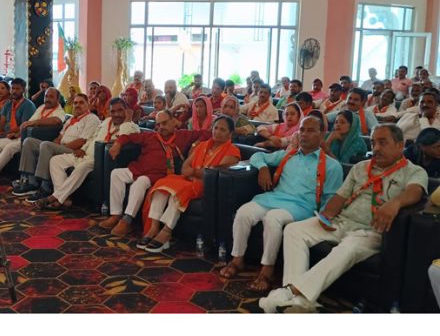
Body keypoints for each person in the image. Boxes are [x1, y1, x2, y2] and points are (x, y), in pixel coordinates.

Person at [260, 124, 427, 313]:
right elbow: (339, 197)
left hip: (370, 230)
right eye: (373, 143)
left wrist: (395, 202)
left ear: (399, 145)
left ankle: (291, 292)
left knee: (347, 248)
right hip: (341, 221)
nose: (376, 148)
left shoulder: (413, 171)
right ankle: (300, 303)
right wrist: (326, 217)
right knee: (293, 230)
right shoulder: (361, 167)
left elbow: (415, 191)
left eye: (383, 142)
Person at [220, 116, 343, 292]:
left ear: (323, 133)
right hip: (275, 198)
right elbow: (258, 155)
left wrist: (321, 221)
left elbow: (331, 199)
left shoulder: (332, 166)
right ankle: (237, 259)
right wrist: (263, 168)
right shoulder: (289, 155)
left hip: (302, 207)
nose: (304, 135)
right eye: (301, 130)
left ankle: (267, 270)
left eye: (310, 131)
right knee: (244, 211)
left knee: (273, 218)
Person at [138, 116, 240, 252]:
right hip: (189, 179)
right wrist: (196, 172)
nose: (217, 132)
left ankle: (167, 232)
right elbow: (185, 168)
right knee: (161, 186)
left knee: (178, 192)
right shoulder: (203, 145)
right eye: (215, 128)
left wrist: (194, 172)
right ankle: (153, 228)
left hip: (207, 186)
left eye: (222, 129)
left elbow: (214, 173)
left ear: (230, 134)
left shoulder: (232, 150)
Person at [101, 110, 211, 236]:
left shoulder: (183, 136)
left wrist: (195, 144)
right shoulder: (150, 136)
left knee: (141, 182)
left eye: (164, 123)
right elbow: (128, 137)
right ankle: (115, 214)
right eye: (158, 124)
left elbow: (207, 133)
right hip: (138, 169)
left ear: (173, 121)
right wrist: (117, 144)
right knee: (116, 173)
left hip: (157, 176)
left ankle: (127, 220)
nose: (161, 127)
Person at [36, 98, 140, 210]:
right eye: (113, 111)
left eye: (120, 110)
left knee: (83, 166)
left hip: (99, 161)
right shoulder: (106, 122)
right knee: (56, 160)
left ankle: (54, 198)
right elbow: (92, 137)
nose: (116, 114)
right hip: (85, 155)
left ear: (127, 110)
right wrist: (84, 149)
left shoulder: (131, 127)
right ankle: (65, 199)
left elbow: (124, 138)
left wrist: (128, 120)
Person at [13, 92, 100, 202]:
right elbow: (60, 136)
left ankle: (45, 188)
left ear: (88, 105)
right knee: (29, 142)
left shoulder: (91, 119)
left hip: (73, 149)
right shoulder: (71, 119)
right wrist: (55, 144)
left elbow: (82, 141)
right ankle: (31, 183)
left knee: (46, 145)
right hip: (61, 146)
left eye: (81, 103)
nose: (77, 105)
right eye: (75, 103)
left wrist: (55, 147)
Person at [0, 86, 62, 179]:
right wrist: (17, 134)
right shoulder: (42, 107)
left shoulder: (59, 111)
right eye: (46, 96)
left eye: (51, 97)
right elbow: (27, 125)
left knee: (9, 148)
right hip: (22, 136)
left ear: (57, 99)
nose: (47, 99)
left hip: (34, 141)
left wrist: (34, 122)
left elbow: (56, 121)